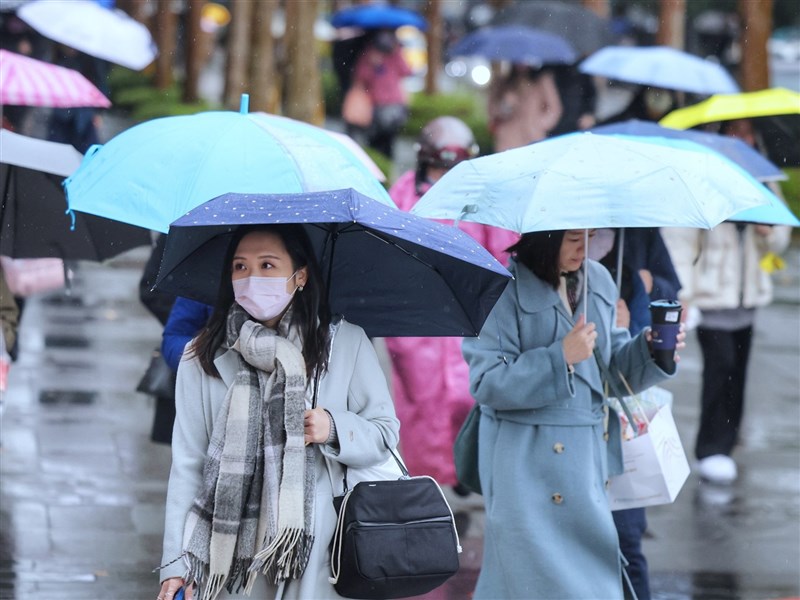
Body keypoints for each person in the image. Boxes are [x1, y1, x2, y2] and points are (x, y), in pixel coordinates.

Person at [158, 224, 400, 600]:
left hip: (320, 553)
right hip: (230, 561)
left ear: (300, 276)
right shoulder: (201, 356)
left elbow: (384, 434)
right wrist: (176, 565)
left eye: (267, 265)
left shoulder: (343, 343)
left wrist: (334, 428)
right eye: (240, 266)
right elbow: (188, 465)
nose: (251, 278)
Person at [462, 229, 684, 599]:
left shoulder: (599, 279)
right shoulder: (499, 288)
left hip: (585, 460)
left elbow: (611, 373)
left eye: (590, 235)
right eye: (573, 238)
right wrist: (559, 357)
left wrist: (649, 351)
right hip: (523, 464)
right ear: (545, 237)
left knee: (590, 581)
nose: (585, 247)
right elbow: (487, 382)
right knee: (527, 583)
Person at [384, 116, 518, 489]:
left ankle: (466, 470)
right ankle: (428, 484)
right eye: (437, 168)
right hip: (415, 323)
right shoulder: (403, 193)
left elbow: (503, 252)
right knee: (420, 406)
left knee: (468, 396)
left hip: (469, 317)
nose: (443, 177)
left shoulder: (483, 196)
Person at [662, 119, 791, 486]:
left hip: (746, 298)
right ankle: (711, 448)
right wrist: (683, 295)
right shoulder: (703, 178)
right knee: (721, 370)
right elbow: (679, 241)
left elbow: (780, 236)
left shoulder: (763, 179)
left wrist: (767, 230)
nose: (743, 138)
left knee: (739, 374)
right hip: (712, 298)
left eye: (749, 132)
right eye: (735, 130)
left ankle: (727, 444)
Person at [590, 228, 654, 600]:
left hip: (619, 428)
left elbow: (631, 367)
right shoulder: (530, 281)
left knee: (626, 539)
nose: (586, 241)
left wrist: (633, 335)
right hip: (565, 439)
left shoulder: (621, 277)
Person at [349, 29, 412, 158]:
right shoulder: (369, 56)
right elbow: (361, 77)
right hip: (376, 104)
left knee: (390, 138)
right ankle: (378, 162)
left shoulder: (395, 55)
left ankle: (387, 162)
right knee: (375, 138)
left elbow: (407, 71)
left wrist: (397, 52)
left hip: (394, 103)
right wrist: (372, 64)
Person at [487, 63, 563, 152]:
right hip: (509, 141)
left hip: (533, 139)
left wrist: (538, 122)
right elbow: (492, 111)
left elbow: (554, 110)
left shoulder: (542, 82)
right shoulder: (503, 83)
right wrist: (505, 106)